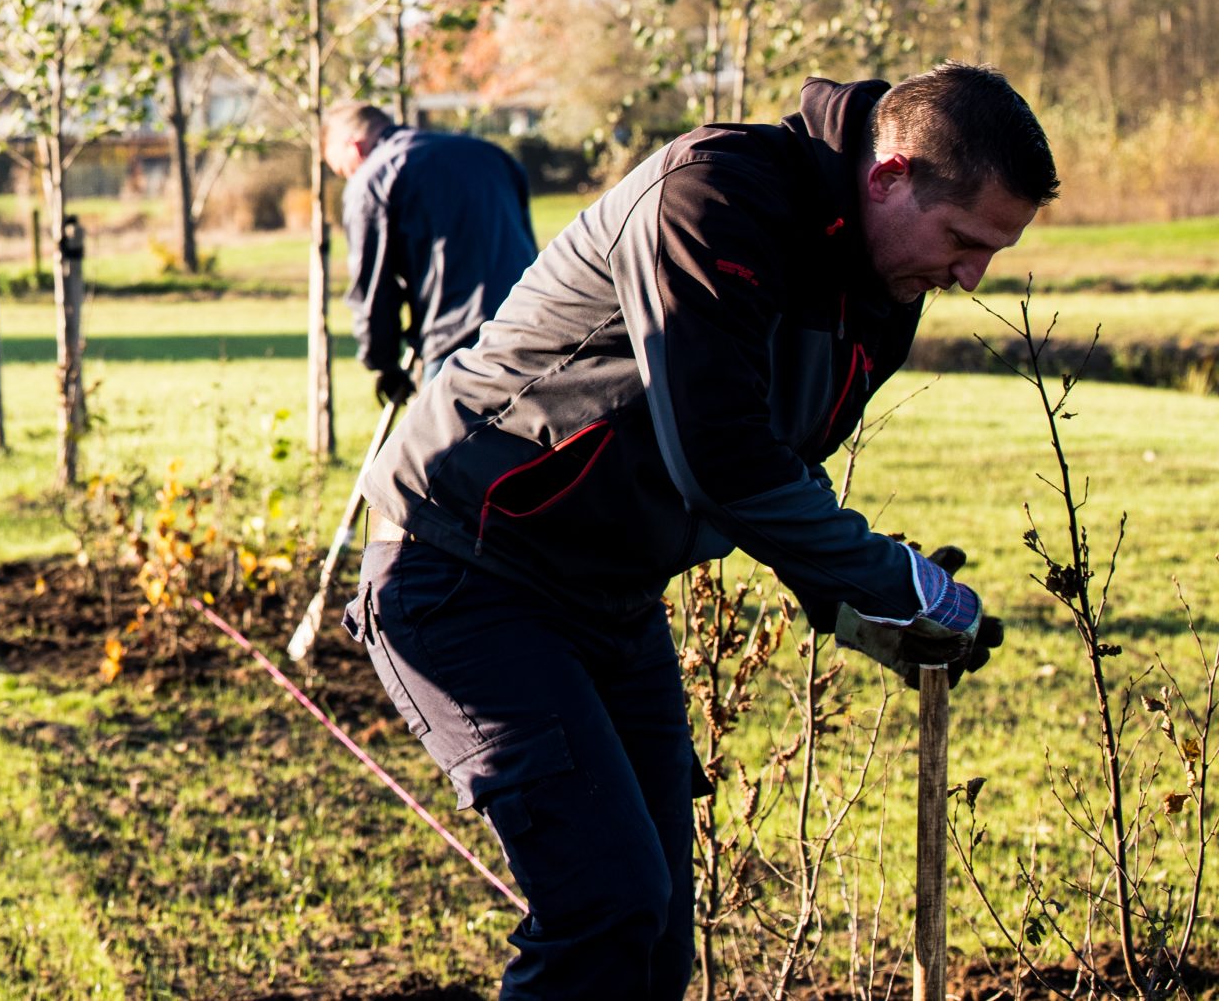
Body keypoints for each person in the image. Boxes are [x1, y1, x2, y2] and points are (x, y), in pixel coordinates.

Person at [353, 64, 1043, 999]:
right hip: (462, 560)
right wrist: (903, 584)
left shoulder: (885, 286)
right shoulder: (713, 196)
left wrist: (862, 612)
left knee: (657, 935)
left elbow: (783, 465)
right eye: (964, 240)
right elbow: (719, 459)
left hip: (608, 594)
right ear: (889, 174)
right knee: (606, 906)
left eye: (990, 252)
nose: (970, 277)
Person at [322, 101, 536, 408]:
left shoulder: (373, 179)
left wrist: (383, 363)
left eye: (343, 170)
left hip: (457, 343)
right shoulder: (490, 155)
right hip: (529, 326)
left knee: (446, 453)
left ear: (353, 147)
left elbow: (374, 286)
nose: (348, 178)